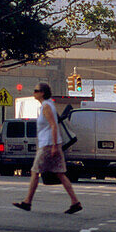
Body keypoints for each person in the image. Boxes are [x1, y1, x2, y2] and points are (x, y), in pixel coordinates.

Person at [13, 82, 82, 214]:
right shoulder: (48, 104)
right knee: (60, 174)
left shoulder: (46, 106)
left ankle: (27, 202)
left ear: (42, 93)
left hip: (48, 145)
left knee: (35, 172)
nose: (34, 93)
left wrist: (54, 146)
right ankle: (75, 202)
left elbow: (54, 126)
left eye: (36, 90)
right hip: (51, 144)